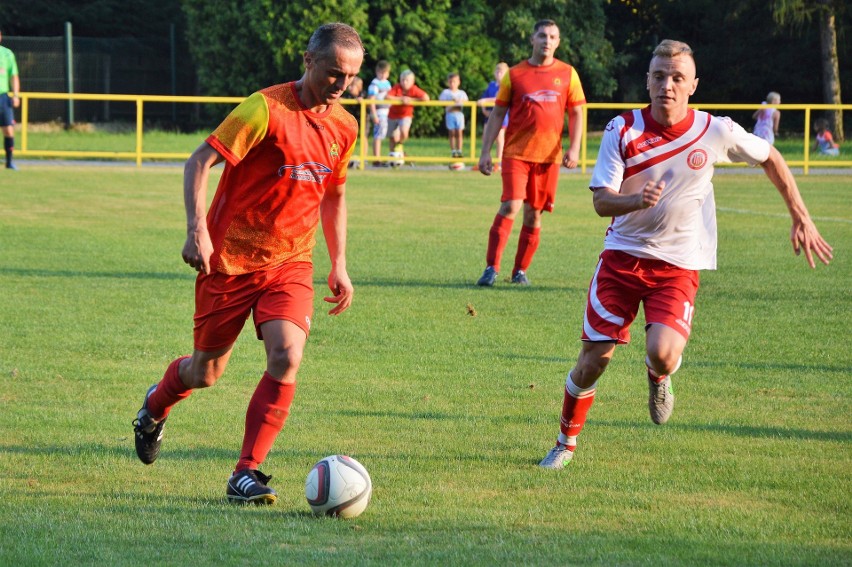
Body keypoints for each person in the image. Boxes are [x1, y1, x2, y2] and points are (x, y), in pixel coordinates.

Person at [538, 39, 833, 470]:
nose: (667, 86)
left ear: (693, 84)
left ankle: (659, 377)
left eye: (677, 78)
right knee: (593, 362)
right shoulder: (623, 130)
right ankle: (565, 444)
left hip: (677, 265)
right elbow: (601, 200)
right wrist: (635, 201)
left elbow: (770, 157)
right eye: (659, 76)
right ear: (648, 81)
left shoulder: (714, 130)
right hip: (621, 259)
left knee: (663, 353)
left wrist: (801, 216)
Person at [132, 23, 364, 505]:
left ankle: (247, 472)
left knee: (286, 355)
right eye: (333, 73)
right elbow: (198, 161)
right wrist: (197, 228)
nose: (341, 85)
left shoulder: (345, 126)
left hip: (291, 262)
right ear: (308, 61)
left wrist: (339, 262)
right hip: (229, 261)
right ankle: (154, 408)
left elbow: (334, 194)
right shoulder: (266, 108)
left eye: (351, 77)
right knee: (205, 373)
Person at [476, 20, 586, 287]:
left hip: (549, 156)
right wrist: (485, 151)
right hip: (516, 152)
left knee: (533, 214)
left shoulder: (568, 73)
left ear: (558, 42)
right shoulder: (514, 74)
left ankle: (520, 271)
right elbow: (498, 113)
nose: (547, 41)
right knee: (511, 204)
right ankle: (491, 268)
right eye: (542, 35)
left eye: (552, 36)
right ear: (532, 39)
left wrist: (574, 147)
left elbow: (576, 112)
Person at [386, 69, 430, 166]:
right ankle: (392, 157)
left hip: (406, 115)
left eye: (407, 80)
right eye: (402, 80)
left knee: (404, 132)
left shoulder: (413, 89)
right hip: (393, 114)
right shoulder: (397, 87)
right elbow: (388, 97)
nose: (404, 82)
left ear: (412, 82)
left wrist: (411, 100)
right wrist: (401, 99)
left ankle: (399, 146)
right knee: (392, 137)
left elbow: (426, 98)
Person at [477, 62, 509, 170]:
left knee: (500, 138)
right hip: (490, 115)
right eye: (497, 71)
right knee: (486, 137)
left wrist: (485, 101)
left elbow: (499, 98)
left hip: (501, 116)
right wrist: (484, 109)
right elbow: (483, 99)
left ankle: (498, 162)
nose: (499, 73)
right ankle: (486, 159)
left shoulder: (505, 85)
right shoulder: (491, 85)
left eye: (501, 71)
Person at [0, 29, 20, 170]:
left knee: (8, 130)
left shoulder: (7, 53)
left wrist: (16, 94)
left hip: (3, 96)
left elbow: (14, 76)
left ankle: (9, 161)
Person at [438, 72, 469, 159]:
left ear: (458, 82)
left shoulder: (461, 93)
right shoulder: (446, 92)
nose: (452, 84)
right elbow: (440, 101)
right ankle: (453, 151)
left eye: (454, 82)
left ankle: (459, 150)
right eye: (450, 82)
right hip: (450, 114)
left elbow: (466, 102)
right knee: (452, 132)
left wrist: (459, 101)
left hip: (459, 115)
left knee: (459, 132)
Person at [367, 60, 392, 165]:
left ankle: (382, 156)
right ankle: (376, 158)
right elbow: (371, 100)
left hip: (387, 112)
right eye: (381, 72)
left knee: (382, 135)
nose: (383, 75)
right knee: (378, 135)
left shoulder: (387, 83)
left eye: (385, 73)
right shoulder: (375, 84)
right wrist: (374, 114)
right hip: (379, 112)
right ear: (377, 72)